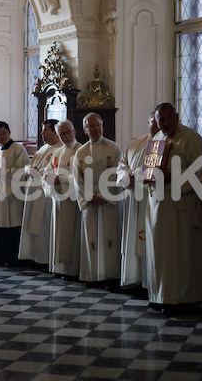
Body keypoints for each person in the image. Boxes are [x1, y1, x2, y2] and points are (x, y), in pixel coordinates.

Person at [144, 103, 202, 316]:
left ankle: (183, 299)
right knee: (160, 252)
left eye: (169, 118)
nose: (165, 123)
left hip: (181, 205)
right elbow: (150, 167)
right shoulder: (157, 139)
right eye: (161, 120)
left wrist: (174, 176)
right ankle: (160, 295)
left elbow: (200, 169)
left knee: (181, 252)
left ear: (176, 116)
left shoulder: (191, 138)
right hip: (159, 205)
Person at [72, 112, 123, 288]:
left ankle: (111, 276)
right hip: (90, 201)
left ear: (103, 127)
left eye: (97, 125)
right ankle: (93, 275)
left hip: (107, 201)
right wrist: (88, 196)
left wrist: (103, 195)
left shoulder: (114, 148)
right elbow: (76, 178)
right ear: (85, 130)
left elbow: (118, 172)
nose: (94, 129)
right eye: (90, 126)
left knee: (110, 237)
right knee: (91, 238)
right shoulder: (81, 152)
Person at [117, 111, 159, 294]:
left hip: (152, 198)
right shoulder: (136, 144)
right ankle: (134, 278)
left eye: (159, 121)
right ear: (148, 122)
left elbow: (156, 172)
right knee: (133, 238)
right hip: (134, 199)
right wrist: (127, 177)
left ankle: (149, 281)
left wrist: (136, 175)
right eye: (153, 122)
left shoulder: (162, 144)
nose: (156, 125)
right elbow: (121, 166)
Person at [18, 119, 63, 269]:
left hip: (46, 194)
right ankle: (33, 256)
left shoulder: (60, 149)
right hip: (33, 191)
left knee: (44, 226)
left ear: (55, 132)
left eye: (45, 130)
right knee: (32, 225)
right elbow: (29, 165)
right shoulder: (43, 149)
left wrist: (39, 172)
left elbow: (55, 170)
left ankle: (44, 258)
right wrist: (28, 170)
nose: (42, 132)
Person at [42, 120, 82, 279]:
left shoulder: (81, 151)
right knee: (58, 233)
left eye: (68, 132)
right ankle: (58, 267)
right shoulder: (57, 153)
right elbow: (47, 173)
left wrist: (62, 180)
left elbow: (83, 176)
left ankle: (73, 270)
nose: (65, 136)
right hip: (58, 199)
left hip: (74, 201)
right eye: (62, 134)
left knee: (73, 234)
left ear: (75, 132)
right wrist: (51, 179)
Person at [0, 121, 30, 265]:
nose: (1, 137)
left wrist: (3, 173)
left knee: (14, 226)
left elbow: (22, 170)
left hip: (15, 194)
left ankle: (15, 257)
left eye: (3, 133)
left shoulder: (18, 149)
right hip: (1, 193)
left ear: (9, 132)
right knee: (3, 226)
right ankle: (5, 255)